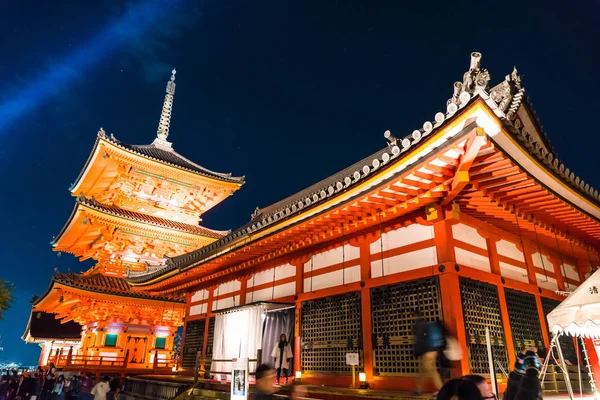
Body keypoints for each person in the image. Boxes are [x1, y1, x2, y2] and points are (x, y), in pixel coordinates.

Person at [413, 311, 443, 396]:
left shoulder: (419, 324)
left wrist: (416, 351)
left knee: (431, 370)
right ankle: (419, 389)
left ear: (414, 316)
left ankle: (440, 389)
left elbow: (419, 339)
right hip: (433, 350)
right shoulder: (426, 323)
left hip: (427, 351)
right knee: (423, 370)